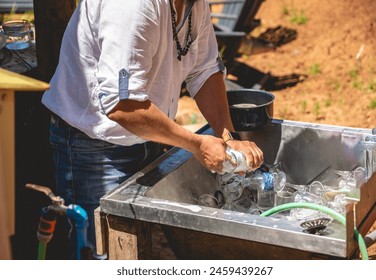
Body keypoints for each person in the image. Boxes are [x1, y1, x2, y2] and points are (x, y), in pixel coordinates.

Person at [41, 0, 264, 259]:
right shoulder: (132, 6)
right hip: (93, 148)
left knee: (135, 251)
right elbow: (123, 105)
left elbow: (204, 71)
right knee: (102, 256)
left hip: (147, 135)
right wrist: (197, 144)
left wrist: (228, 137)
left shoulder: (195, 4)